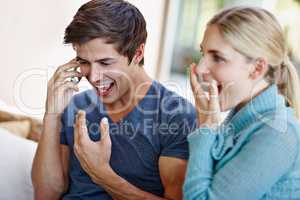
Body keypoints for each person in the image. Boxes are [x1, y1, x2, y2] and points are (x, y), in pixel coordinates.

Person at [31, 0, 197, 199]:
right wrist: (51, 114)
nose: (93, 77)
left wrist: (101, 173)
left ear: (138, 54)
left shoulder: (177, 116)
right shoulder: (76, 105)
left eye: (105, 62)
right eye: (84, 62)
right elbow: (46, 194)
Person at [183, 6, 300, 200]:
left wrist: (206, 129)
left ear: (257, 68)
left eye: (218, 58)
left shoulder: (278, 133)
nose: (200, 68)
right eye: (203, 53)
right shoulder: (240, 120)